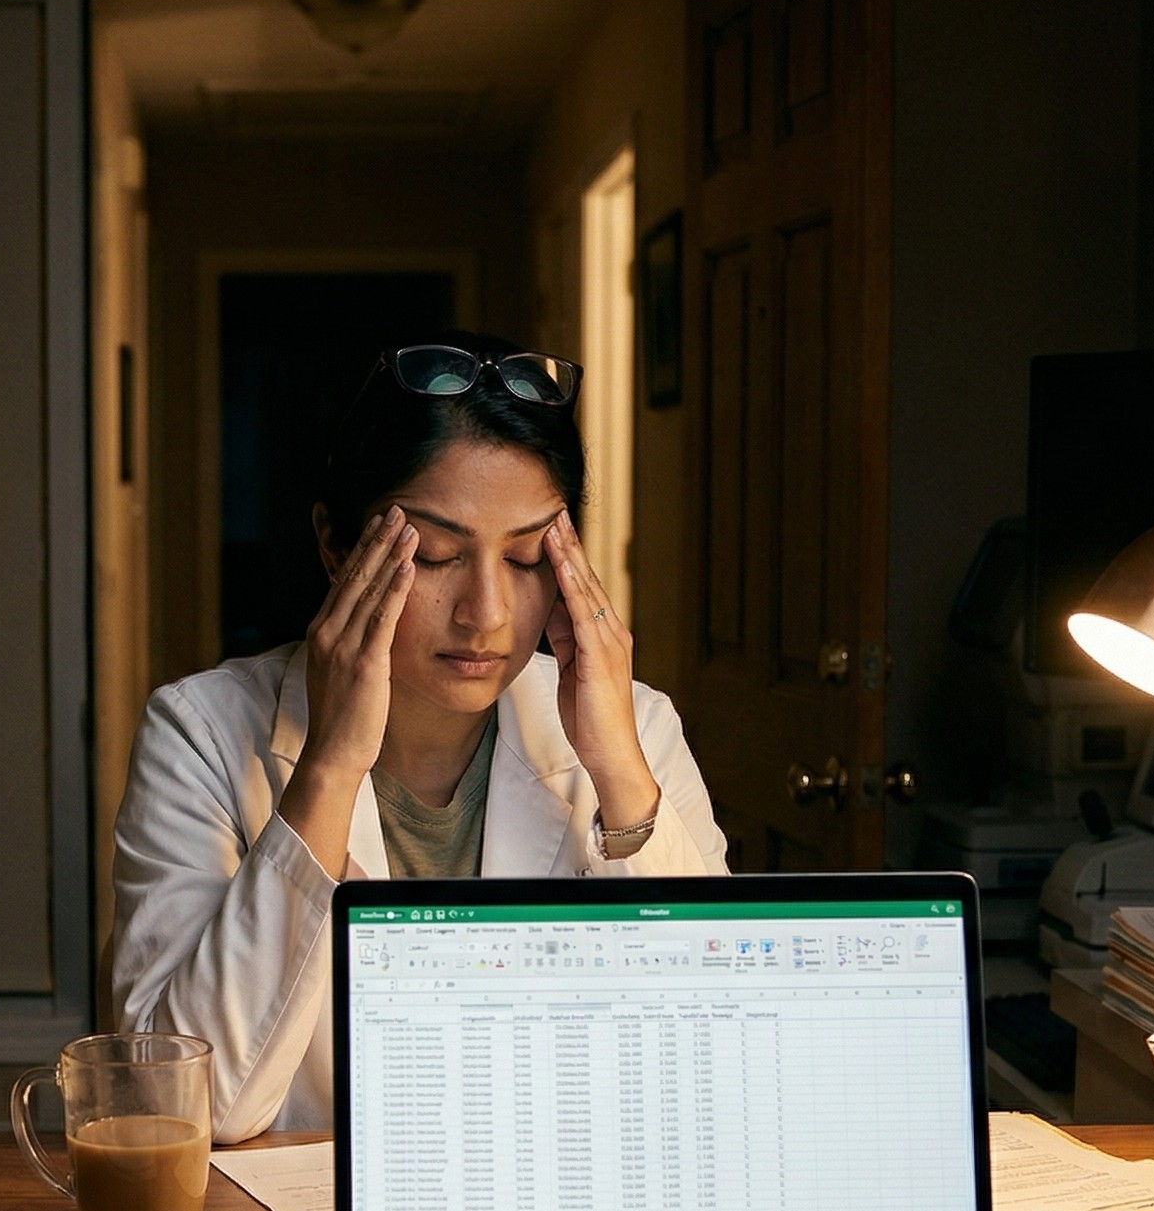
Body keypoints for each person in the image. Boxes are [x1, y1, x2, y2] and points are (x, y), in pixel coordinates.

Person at [111, 332, 730, 1140]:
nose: (487, 616)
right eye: (435, 556)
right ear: (336, 545)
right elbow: (183, 1111)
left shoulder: (637, 729)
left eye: (526, 558)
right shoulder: (199, 734)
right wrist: (328, 769)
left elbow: (714, 1063)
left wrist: (618, 774)